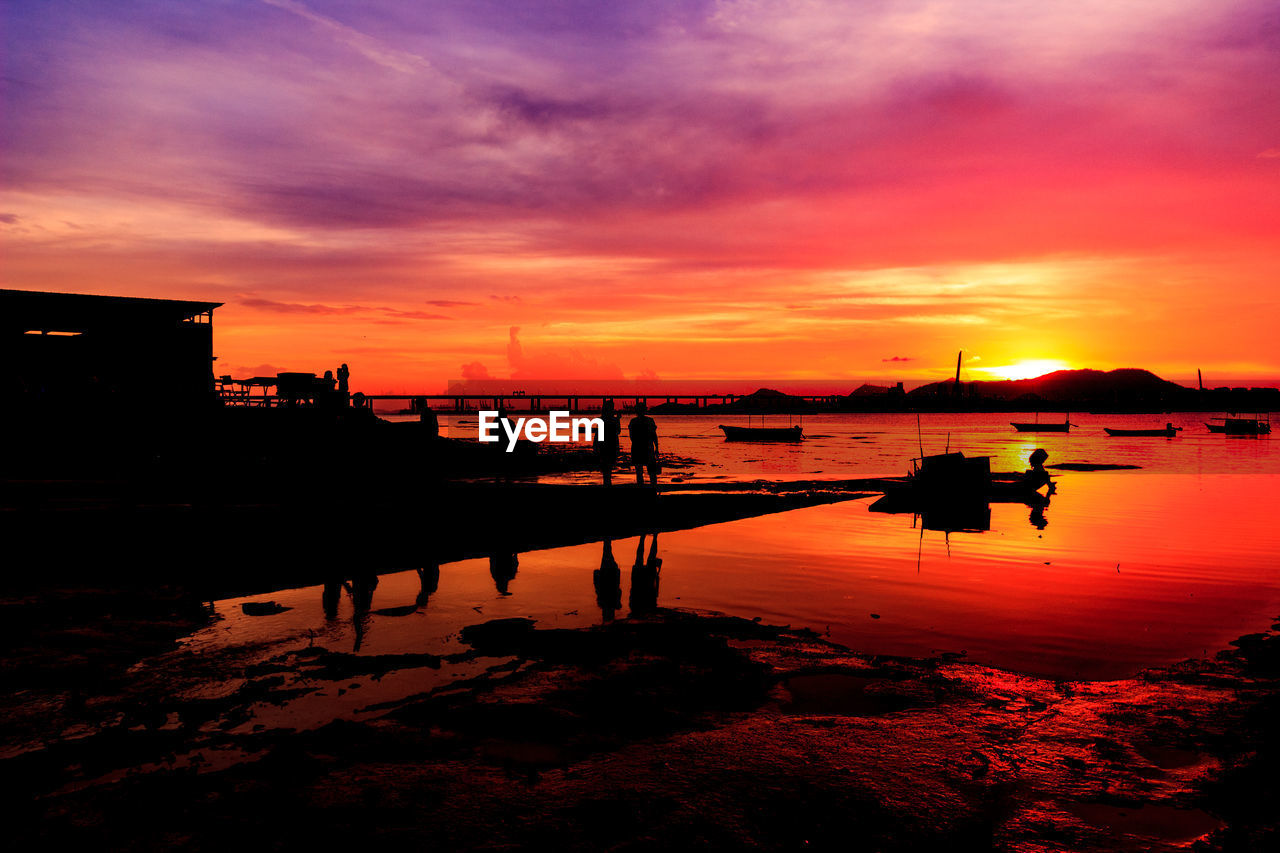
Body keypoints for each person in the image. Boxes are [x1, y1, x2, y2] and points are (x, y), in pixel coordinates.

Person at [628, 401, 660, 487]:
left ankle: (641, 488)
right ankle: (653, 488)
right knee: (652, 472)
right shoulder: (650, 421)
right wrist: (657, 448)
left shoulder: (633, 421)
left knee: (639, 472)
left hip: (637, 447)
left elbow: (631, 436)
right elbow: (654, 435)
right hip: (648, 447)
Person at [594, 399, 622, 486]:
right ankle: (608, 484)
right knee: (609, 467)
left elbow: (598, 433)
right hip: (612, 444)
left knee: (605, 467)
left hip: (603, 444)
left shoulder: (601, 419)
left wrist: (595, 445)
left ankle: (606, 484)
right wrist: (618, 419)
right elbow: (618, 431)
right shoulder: (613, 420)